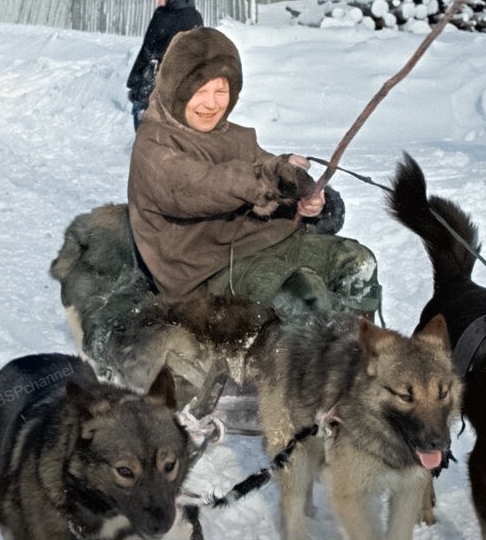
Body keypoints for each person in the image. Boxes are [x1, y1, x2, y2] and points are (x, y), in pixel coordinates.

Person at [127, 27, 381, 320]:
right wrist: (275, 178)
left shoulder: (232, 136)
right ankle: (312, 363)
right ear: (177, 90)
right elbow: (202, 186)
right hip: (206, 270)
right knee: (303, 293)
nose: (211, 103)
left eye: (220, 91)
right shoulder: (155, 144)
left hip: (261, 243)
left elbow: (263, 170)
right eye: (200, 91)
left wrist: (305, 197)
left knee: (357, 261)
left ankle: (359, 353)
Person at [126, 0, 204, 129]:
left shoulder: (165, 17)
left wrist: (136, 82)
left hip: (159, 90)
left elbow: (148, 52)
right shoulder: (191, 16)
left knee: (151, 139)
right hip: (172, 92)